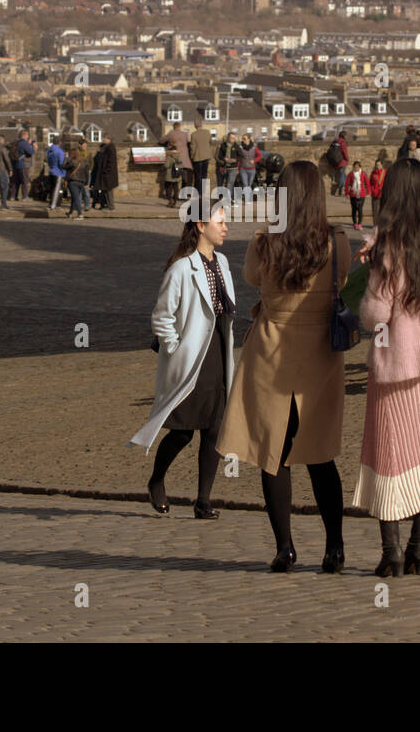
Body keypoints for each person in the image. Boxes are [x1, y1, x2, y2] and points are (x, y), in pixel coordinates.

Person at [218, 161, 351, 573]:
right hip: (317, 352)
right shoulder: (335, 241)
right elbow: (341, 281)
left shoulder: (265, 242)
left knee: (272, 451)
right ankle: (334, 546)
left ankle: (285, 546)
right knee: (319, 454)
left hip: (272, 347)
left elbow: (253, 278)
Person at [354, 159, 420, 576]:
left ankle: (392, 551)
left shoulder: (388, 241)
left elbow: (377, 313)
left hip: (396, 359)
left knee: (389, 452)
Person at [129, 205, 235, 521]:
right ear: (201, 225)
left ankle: (203, 500)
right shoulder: (181, 268)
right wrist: (175, 348)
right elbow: (161, 316)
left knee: (215, 430)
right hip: (191, 356)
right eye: (220, 222)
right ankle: (157, 479)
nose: (226, 227)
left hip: (219, 351)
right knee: (184, 429)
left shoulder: (224, 262)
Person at [160, 120, 193, 189]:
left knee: (177, 175)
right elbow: (188, 142)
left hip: (177, 159)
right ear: (179, 127)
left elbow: (162, 140)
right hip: (185, 158)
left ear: (174, 127)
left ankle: (175, 193)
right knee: (184, 176)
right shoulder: (185, 134)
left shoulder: (171, 133)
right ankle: (183, 193)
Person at [92, 136, 118, 210]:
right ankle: (104, 205)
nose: (103, 139)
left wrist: (106, 171)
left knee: (108, 190)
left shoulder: (110, 148)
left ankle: (110, 206)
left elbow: (111, 162)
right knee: (104, 190)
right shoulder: (107, 147)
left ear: (108, 139)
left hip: (107, 175)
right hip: (104, 174)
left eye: (104, 138)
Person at [189, 116, 214, 191]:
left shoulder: (193, 135)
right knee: (204, 175)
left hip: (197, 157)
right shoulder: (207, 132)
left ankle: (198, 192)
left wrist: (192, 157)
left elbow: (192, 148)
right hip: (206, 156)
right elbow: (211, 142)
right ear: (201, 124)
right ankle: (203, 191)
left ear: (195, 125)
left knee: (197, 176)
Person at [344, 160, 370, 230]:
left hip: (361, 194)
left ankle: (360, 224)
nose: (356, 168)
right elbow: (347, 183)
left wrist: (368, 192)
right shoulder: (351, 174)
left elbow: (367, 183)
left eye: (357, 167)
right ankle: (355, 223)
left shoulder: (363, 174)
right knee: (354, 209)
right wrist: (346, 193)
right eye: (355, 167)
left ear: (360, 167)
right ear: (353, 167)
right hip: (353, 194)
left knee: (360, 209)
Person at [66, 146, 90, 219]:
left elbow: (63, 166)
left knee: (76, 198)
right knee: (74, 197)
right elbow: (87, 174)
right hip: (81, 182)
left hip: (73, 182)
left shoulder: (72, 161)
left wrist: (66, 158)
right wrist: (86, 183)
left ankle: (80, 214)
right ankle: (70, 212)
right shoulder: (84, 162)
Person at [12, 129, 35, 202]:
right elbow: (31, 152)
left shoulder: (16, 142)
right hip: (23, 165)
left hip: (16, 164)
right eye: (27, 135)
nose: (28, 136)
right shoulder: (24, 143)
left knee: (16, 182)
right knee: (24, 181)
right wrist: (32, 145)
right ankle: (25, 197)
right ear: (24, 135)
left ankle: (13, 196)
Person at [46, 135, 67, 210]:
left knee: (52, 190)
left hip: (51, 171)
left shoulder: (49, 150)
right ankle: (53, 205)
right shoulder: (60, 151)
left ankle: (57, 204)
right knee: (57, 190)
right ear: (59, 142)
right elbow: (61, 164)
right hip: (58, 173)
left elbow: (48, 161)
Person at [162, 143, 182, 208]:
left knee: (167, 187)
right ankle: (174, 201)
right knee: (175, 188)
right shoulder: (179, 156)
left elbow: (166, 165)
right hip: (176, 176)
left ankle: (170, 200)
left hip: (169, 175)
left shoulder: (169, 157)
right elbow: (181, 166)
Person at [369, 152, 388, 219]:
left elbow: (387, 182)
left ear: (382, 165)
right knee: (375, 210)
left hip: (383, 194)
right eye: (377, 165)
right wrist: (372, 189)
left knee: (383, 210)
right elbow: (370, 183)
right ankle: (375, 224)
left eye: (379, 165)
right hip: (375, 193)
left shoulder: (385, 173)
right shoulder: (373, 173)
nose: (378, 166)